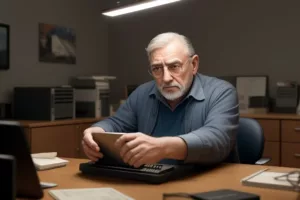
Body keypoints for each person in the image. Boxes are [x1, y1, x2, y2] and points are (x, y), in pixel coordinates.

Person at [82, 32, 239, 168]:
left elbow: (217, 139)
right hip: (152, 181)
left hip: (208, 184)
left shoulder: (221, 92)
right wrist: (96, 132)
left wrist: (163, 147)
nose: (166, 78)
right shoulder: (142, 93)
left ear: (194, 64)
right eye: (157, 69)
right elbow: (116, 123)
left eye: (174, 66)